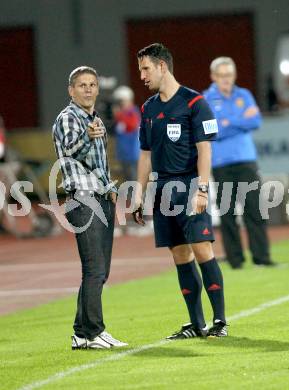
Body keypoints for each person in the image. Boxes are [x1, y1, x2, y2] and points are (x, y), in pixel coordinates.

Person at [133, 43, 227, 338]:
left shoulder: (195, 102)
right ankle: (196, 324)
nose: (142, 76)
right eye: (140, 70)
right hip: (161, 191)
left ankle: (220, 322)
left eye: (146, 69)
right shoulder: (148, 108)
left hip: (188, 185)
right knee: (179, 255)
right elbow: (145, 155)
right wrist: (139, 193)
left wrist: (201, 190)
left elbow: (205, 151)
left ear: (163, 66)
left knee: (202, 250)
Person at [52, 66, 128, 349]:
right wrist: (89, 136)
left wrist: (110, 189)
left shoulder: (94, 119)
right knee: (94, 269)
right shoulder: (68, 118)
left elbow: (98, 164)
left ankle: (82, 332)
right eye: (81, 85)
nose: (87, 89)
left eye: (92, 84)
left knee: (100, 270)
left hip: (98, 196)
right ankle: (94, 331)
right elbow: (71, 150)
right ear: (71, 90)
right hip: (82, 198)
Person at [204, 57, 275, 269]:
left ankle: (262, 257)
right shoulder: (206, 99)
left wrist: (226, 121)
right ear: (213, 77)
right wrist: (239, 121)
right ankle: (235, 260)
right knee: (228, 214)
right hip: (221, 163)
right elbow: (211, 130)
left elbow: (255, 121)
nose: (226, 79)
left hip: (246, 160)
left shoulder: (244, 94)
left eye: (229, 75)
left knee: (255, 209)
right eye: (222, 75)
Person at [112, 85, 141, 182]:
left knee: (135, 181)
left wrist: (119, 115)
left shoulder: (132, 112)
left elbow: (132, 125)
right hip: (123, 154)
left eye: (122, 101)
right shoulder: (121, 114)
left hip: (133, 154)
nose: (120, 104)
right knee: (128, 181)